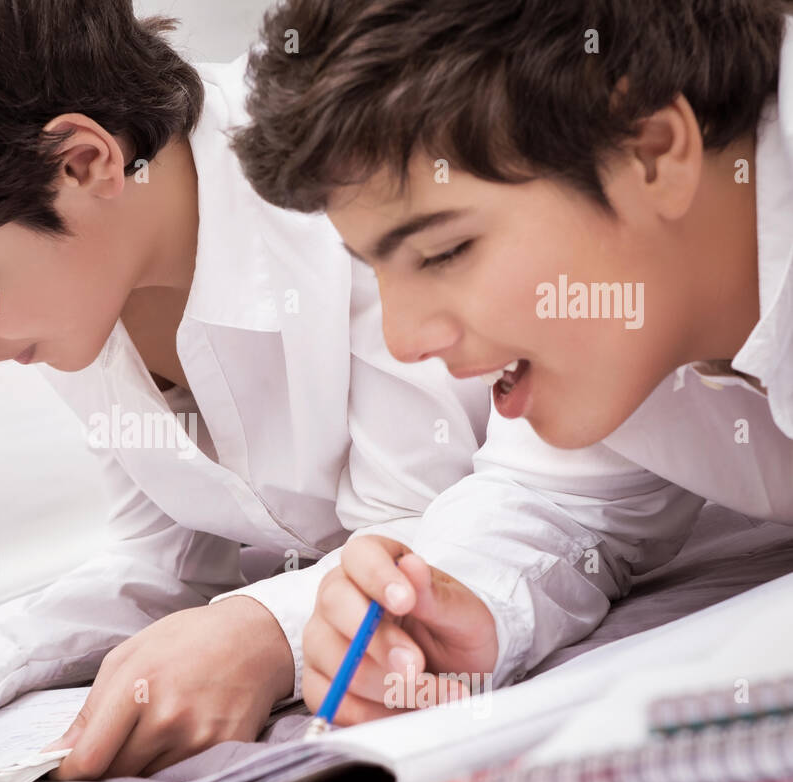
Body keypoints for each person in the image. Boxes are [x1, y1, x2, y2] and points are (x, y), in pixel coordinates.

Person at [0, 0, 695, 775]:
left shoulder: (343, 173)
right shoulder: (84, 293)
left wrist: (259, 631)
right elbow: (166, 562)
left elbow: (445, 523)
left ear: (84, 161)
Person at [234, 0, 793, 721]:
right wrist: (449, 616)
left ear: (652, 150)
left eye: (444, 252)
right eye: (378, 268)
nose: (406, 341)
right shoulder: (619, 329)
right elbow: (553, 504)